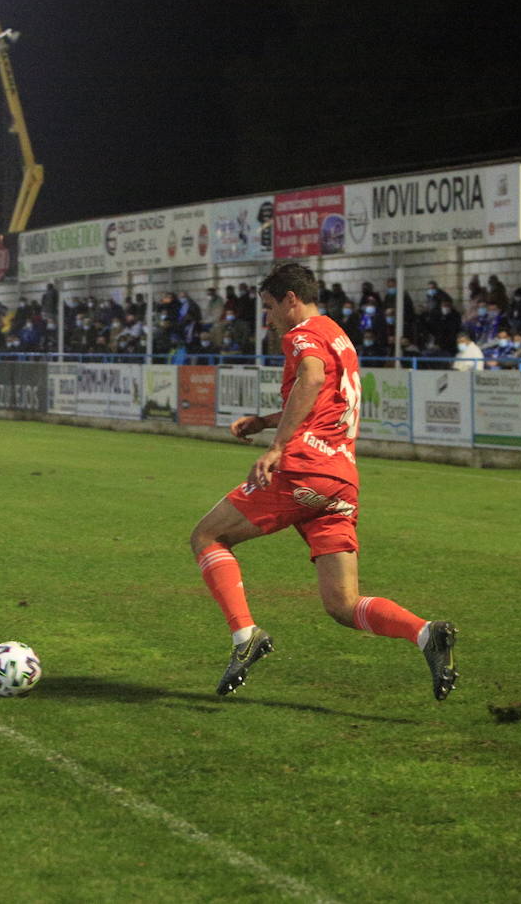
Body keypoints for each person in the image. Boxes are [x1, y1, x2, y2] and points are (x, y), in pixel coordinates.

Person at [188, 262, 456, 701]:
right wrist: (264, 420)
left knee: (207, 536)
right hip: (340, 481)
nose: (269, 319)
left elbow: (310, 378)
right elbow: (321, 399)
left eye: (271, 307)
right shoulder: (338, 335)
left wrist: (276, 445)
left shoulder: (302, 335)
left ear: (291, 299)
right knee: (343, 605)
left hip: (304, 469)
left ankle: (245, 637)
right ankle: (426, 634)